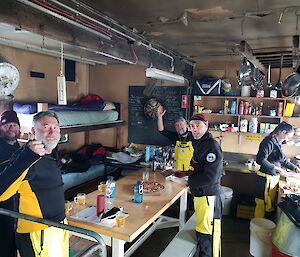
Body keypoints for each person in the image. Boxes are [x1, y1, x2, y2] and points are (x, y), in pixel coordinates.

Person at [0, 111, 68, 257]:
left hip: (58, 227)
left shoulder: (51, 153)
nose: (52, 131)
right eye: (46, 127)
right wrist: (27, 156)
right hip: (37, 233)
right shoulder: (26, 157)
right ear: (33, 131)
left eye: (55, 127)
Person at [188, 113, 223, 257]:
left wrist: (188, 181)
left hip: (208, 196)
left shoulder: (211, 146)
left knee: (207, 234)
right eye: (192, 126)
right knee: (202, 230)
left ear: (206, 126)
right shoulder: (200, 142)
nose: (194, 129)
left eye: (198, 126)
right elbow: (199, 166)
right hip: (201, 194)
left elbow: (210, 176)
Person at [255, 121, 300, 219]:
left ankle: (266, 228)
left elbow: (282, 160)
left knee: (269, 205)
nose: (288, 139)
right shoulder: (268, 141)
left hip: (272, 178)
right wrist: (277, 169)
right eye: (288, 136)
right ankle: (259, 227)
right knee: (262, 204)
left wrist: (295, 168)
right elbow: (260, 160)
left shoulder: (277, 142)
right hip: (265, 178)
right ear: (282, 132)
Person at [0, 110, 21, 257]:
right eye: (6, 125)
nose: (11, 128)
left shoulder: (17, 146)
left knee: (13, 239)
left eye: (14, 124)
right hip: (3, 203)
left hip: (15, 201)